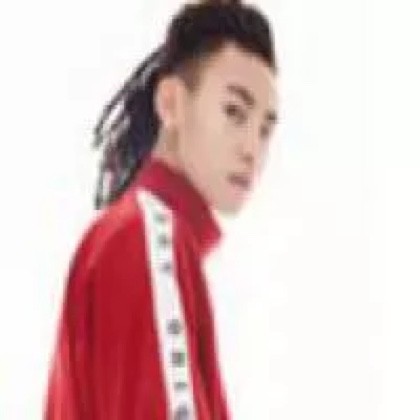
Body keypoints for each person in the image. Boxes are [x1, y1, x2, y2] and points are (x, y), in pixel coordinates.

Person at [44, 0, 279, 418]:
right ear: (170, 103)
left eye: (265, 128)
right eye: (234, 112)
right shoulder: (147, 241)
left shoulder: (137, 238)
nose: (252, 149)